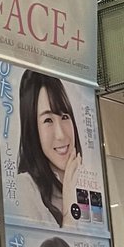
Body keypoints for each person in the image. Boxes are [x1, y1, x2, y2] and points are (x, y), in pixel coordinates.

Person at [16, 69, 84, 227]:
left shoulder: (85, 185)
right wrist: (69, 204)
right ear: (32, 128)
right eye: (48, 120)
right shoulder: (25, 188)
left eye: (64, 116)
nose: (60, 134)